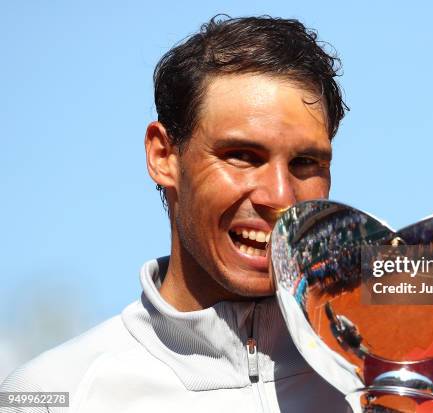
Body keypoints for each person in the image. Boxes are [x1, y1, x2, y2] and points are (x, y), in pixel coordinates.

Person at [0, 15, 351, 412]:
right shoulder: (53, 394)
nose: (280, 196)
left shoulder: (392, 372)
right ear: (163, 156)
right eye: (242, 156)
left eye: (306, 162)